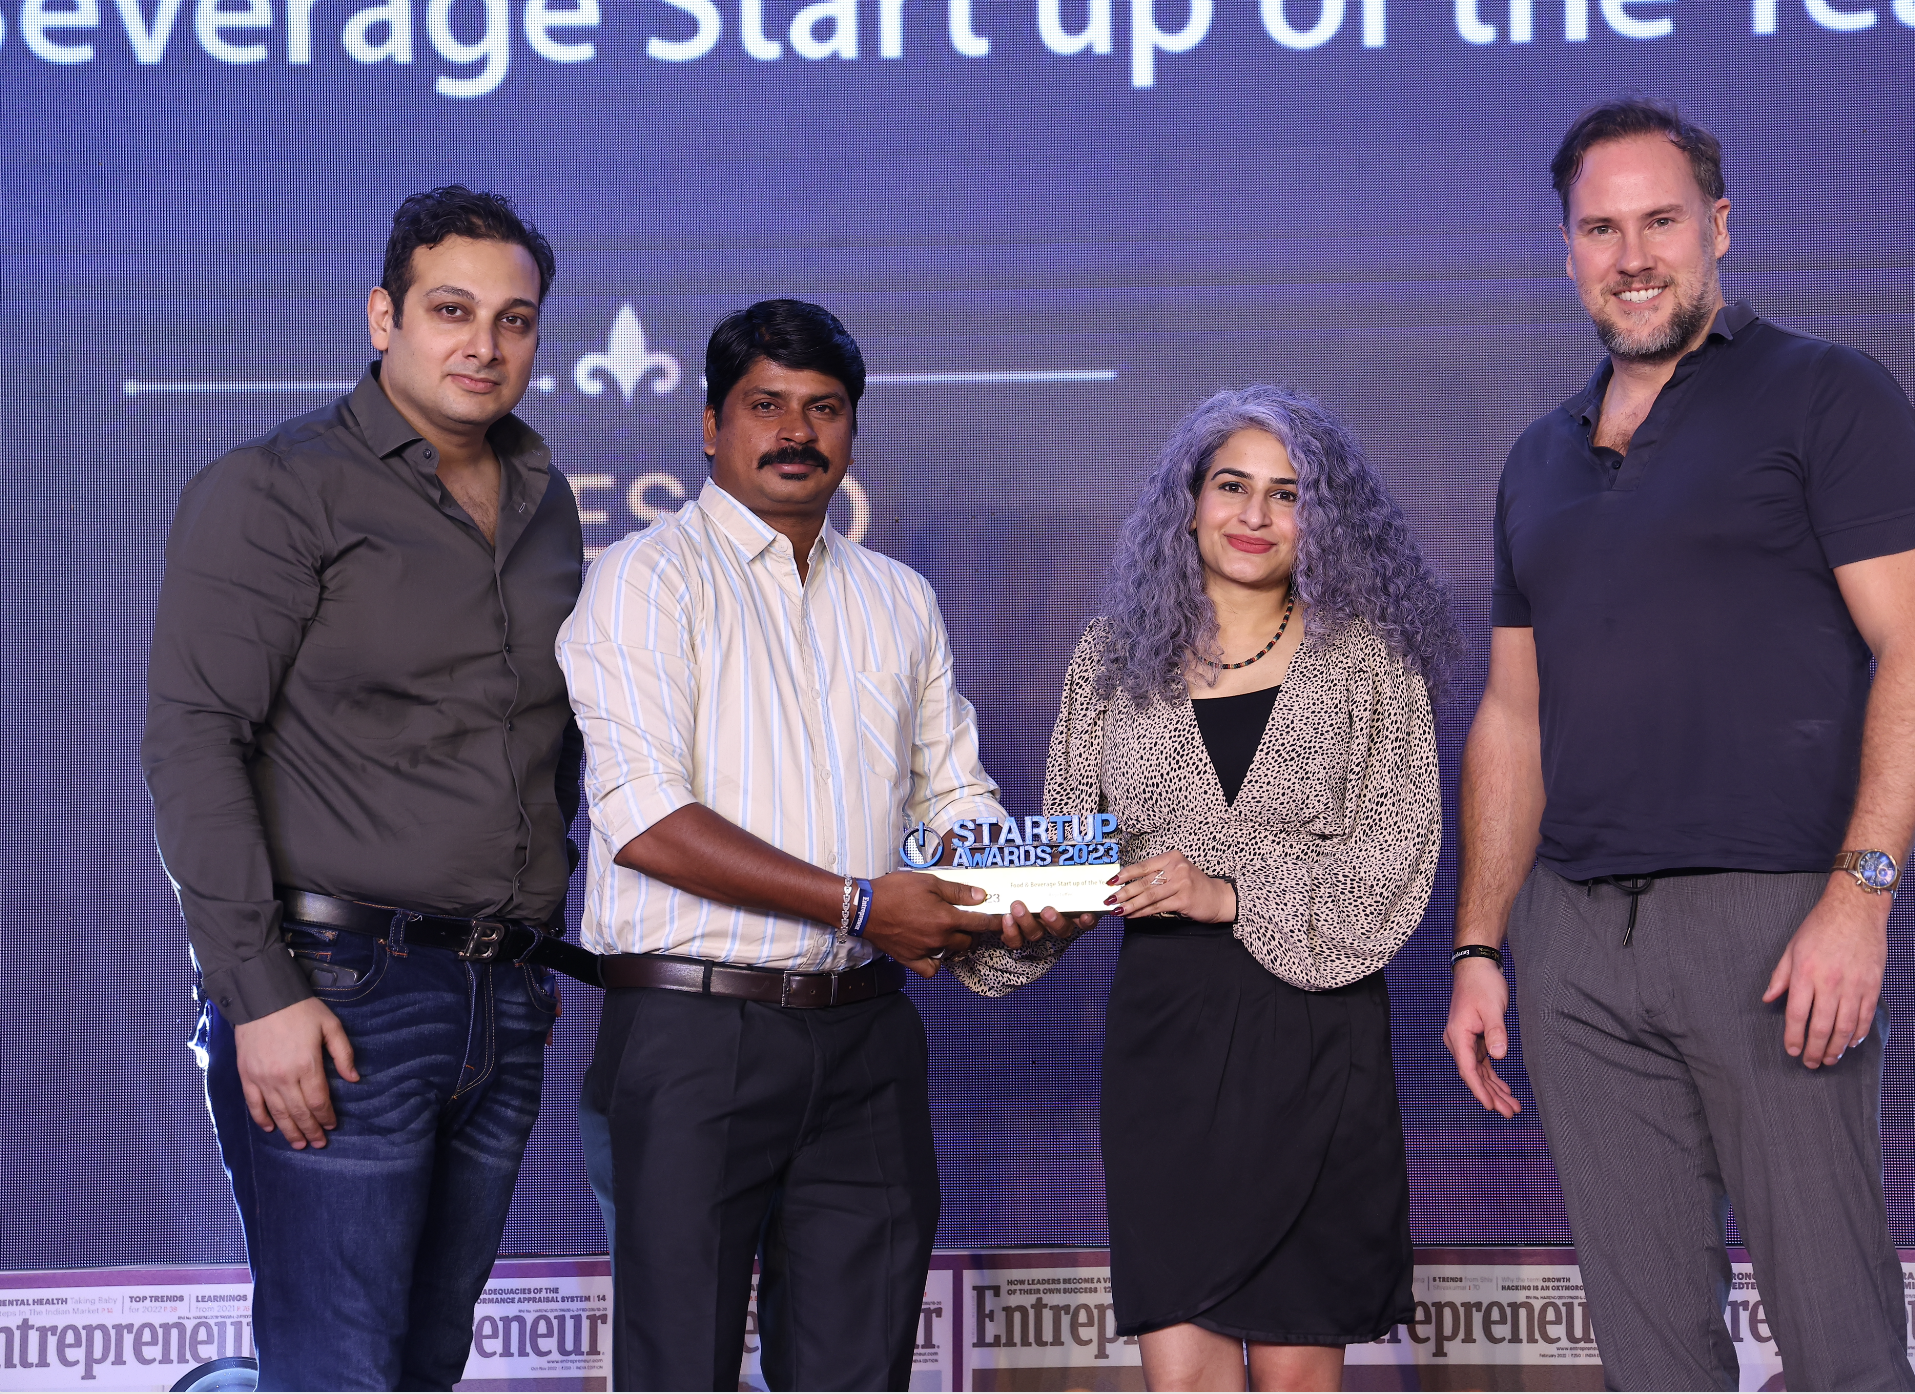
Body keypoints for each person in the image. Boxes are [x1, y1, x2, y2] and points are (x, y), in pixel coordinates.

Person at [1442, 99, 1915, 1391]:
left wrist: (1859, 896)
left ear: (1717, 227)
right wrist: (1479, 945)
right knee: (1651, 1357)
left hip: (1772, 928)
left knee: (1838, 1344)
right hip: (1572, 945)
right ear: (1567, 249)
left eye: (1659, 222)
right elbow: (1510, 713)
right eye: (1599, 229)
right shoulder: (1535, 458)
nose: (1631, 256)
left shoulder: (1824, 392)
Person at [557, 298, 1076, 1392]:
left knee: (857, 1372)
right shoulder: (644, 577)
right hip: (692, 1035)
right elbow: (644, 819)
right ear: (711, 425)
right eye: (767, 405)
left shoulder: (898, 598)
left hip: (865, 1041)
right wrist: (862, 904)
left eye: (824, 408)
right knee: (678, 1371)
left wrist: (1010, 893)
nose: (796, 431)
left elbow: (953, 795)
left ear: (850, 429)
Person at [141, 187, 593, 1390]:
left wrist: (526, 944)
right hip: (335, 989)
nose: (483, 344)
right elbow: (192, 742)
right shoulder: (276, 486)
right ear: (383, 315)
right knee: (338, 1370)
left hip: (499, 993)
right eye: (451, 310)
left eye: (513, 319)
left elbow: (544, 744)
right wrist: (259, 995)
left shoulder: (546, 502)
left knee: (423, 1364)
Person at [963, 385, 1459, 1392]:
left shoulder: (1370, 663)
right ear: (1186, 503)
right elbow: (1073, 854)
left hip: (1314, 1038)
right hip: (1167, 1045)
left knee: (1295, 1374)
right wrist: (978, 919)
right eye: (1232, 486)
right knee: (1183, 1379)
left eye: (1287, 494)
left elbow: (1394, 864)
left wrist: (1227, 890)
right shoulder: (1111, 657)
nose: (1254, 515)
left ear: (1323, 519)